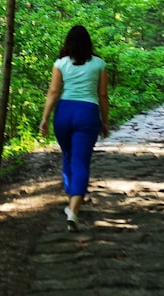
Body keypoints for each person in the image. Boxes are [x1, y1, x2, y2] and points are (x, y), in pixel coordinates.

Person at [39, 25, 110, 231]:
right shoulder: (99, 64)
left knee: (68, 156)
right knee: (81, 162)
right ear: (88, 43)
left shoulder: (60, 64)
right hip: (87, 114)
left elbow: (53, 92)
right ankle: (74, 209)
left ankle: (73, 199)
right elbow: (103, 96)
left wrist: (45, 118)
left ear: (68, 43)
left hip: (64, 113)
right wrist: (105, 121)